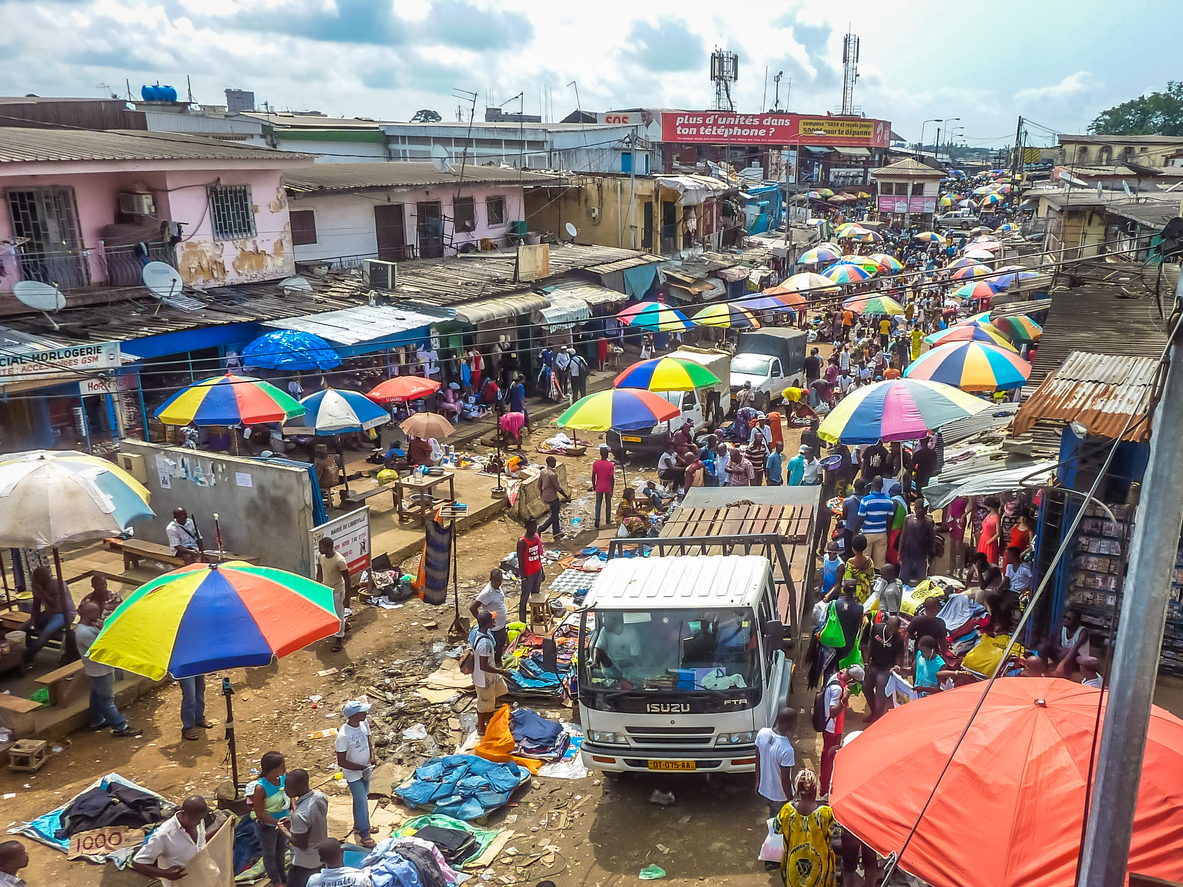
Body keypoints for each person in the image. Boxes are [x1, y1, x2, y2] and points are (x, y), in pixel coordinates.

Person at [76, 601, 141, 737]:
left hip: (98, 669)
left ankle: (96, 720)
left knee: (97, 696)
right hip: (100, 671)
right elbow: (102, 649)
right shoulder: (84, 632)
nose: (99, 615)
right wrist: (104, 629)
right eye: (97, 613)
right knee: (107, 700)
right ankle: (120, 726)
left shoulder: (88, 627)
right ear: (90, 613)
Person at [131, 796, 212, 882]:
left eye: (200, 818)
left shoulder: (198, 821)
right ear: (184, 813)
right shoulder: (163, 835)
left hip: (204, 875)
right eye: (196, 819)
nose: (198, 822)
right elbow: (138, 863)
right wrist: (164, 873)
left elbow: (199, 844)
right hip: (181, 882)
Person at [336, 700, 376, 849]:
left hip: (365, 769)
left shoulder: (363, 723)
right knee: (361, 800)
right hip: (353, 774)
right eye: (362, 712)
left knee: (361, 799)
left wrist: (372, 757)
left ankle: (359, 825)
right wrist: (360, 768)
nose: (365, 713)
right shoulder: (343, 736)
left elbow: (368, 741)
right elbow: (341, 761)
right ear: (353, 715)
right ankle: (365, 834)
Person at [280, 769, 329, 887]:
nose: (285, 790)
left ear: (298, 787)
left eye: (287, 786)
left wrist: (284, 831)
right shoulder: (321, 797)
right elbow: (315, 821)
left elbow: (302, 844)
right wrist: (295, 825)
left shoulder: (299, 814)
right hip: (321, 857)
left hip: (305, 864)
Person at [819, 665, 863, 795]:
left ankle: (825, 784)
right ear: (852, 679)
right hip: (831, 729)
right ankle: (824, 789)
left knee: (828, 756)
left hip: (832, 726)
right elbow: (833, 712)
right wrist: (845, 699)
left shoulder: (835, 676)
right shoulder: (837, 689)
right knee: (829, 758)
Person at [18, 565, 74, 664]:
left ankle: (27, 657)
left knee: (44, 635)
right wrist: (33, 621)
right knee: (22, 628)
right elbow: (36, 606)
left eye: (36, 578)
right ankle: (29, 651)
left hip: (64, 614)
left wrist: (40, 591)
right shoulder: (36, 586)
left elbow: (54, 604)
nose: (34, 580)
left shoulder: (58, 584)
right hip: (49, 613)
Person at [250, 751, 290, 885]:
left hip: (284, 824)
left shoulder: (284, 778)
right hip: (268, 827)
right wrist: (277, 822)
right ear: (273, 769)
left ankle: (283, 878)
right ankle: (276, 881)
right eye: (281, 766)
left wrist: (294, 811)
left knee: (281, 852)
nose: (285, 768)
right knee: (270, 855)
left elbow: (290, 796)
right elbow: (259, 813)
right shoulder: (261, 788)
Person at [472, 610, 511, 733]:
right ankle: (481, 727)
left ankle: (489, 718)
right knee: (484, 702)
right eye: (492, 621)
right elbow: (484, 666)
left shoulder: (479, 632)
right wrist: (501, 671)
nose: (494, 622)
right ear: (488, 623)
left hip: (490, 675)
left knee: (497, 693)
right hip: (485, 678)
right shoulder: (484, 644)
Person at [755, 708, 798, 820]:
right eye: (795, 722)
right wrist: (791, 801)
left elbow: (758, 760)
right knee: (781, 825)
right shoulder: (787, 749)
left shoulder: (762, 733)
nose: (796, 725)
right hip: (779, 797)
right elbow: (785, 780)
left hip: (764, 791)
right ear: (787, 725)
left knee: (772, 820)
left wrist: (758, 781)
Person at [865, 616, 905, 723]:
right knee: (866, 688)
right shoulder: (877, 629)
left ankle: (876, 718)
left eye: (893, 628)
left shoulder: (898, 640)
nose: (890, 630)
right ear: (886, 623)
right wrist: (866, 662)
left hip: (886, 668)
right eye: (889, 627)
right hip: (873, 664)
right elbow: (870, 645)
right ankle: (874, 712)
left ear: (898, 628)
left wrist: (896, 667)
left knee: (880, 692)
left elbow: (899, 656)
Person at [316, 537, 352, 654]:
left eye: (322, 547)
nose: (319, 549)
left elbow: (347, 579)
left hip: (337, 591)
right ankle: (344, 625)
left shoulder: (339, 560)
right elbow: (319, 571)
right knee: (328, 612)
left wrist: (347, 598)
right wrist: (318, 587)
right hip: (326, 590)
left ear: (329, 547)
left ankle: (339, 639)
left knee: (338, 615)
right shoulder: (320, 556)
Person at [469, 569, 508, 658]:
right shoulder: (487, 593)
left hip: (501, 626)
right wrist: (482, 622)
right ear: (490, 579)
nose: (497, 583)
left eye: (499, 581)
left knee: (500, 649)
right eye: (495, 581)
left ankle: (498, 663)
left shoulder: (498, 588)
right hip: (493, 629)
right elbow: (473, 608)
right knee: (493, 652)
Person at [856, 477, 895, 566]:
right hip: (882, 533)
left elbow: (860, 519)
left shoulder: (865, 500)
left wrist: (855, 533)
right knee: (880, 564)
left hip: (867, 534)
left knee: (865, 563)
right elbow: (890, 520)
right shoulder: (889, 501)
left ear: (872, 485)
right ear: (882, 486)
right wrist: (888, 535)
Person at [897, 498, 935, 585]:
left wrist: (930, 558)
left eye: (919, 509)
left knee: (921, 581)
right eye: (915, 508)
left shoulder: (928, 522)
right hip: (907, 555)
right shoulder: (908, 519)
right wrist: (899, 553)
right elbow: (903, 536)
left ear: (925, 509)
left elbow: (931, 541)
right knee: (903, 579)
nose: (916, 510)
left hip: (921, 556)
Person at [516, 518, 545, 623]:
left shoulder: (536, 537)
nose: (533, 529)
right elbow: (521, 561)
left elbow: (538, 556)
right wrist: (523, 577)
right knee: (524, 598)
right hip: (528, 575)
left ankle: (535, 618)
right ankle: (522, 622)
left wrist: (542, 570)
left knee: (536, 596)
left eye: (535, 526)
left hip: (537, 571)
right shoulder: (522, 542)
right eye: (531, 527)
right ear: (526, 527)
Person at [1046, 608, 1090, 675]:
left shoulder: (1083, 632)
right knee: (1043, 647)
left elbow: (1075, 649)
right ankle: (1045, 671)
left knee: (1068, 652)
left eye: (1069, 619)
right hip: (1063, 656)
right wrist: (1064, 649)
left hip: (1078, 660)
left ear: (1076, 621)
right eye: (1065, 617)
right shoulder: (1062, 628)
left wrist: (1062, 663)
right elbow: (1057, 645)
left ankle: (1059, 670)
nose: (1065, 620)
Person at [536, 455, 570, 540]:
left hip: (545, 495)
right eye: (554, 462)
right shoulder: (552, 474)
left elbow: (539, 484)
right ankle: (541, 528)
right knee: (554, 516)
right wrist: (566, 496)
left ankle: (556, 532)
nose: (555, 463)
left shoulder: (543, 471)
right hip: (552, 497)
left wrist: (542, 493)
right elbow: (558, 488)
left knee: (555, 513)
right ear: (551, 463)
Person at [179, 673, 213, 742]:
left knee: (199, 692)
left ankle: (199, 718)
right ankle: (188, 727)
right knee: (190, 696)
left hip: (197, 667)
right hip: (184, 669)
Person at [591, 445, 615, 529]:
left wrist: (593, 485)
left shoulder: (596, 463)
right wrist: (612, 489)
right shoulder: (610, 465)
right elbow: (612, 479)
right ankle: (608, 519)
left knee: (598, 503)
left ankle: (597, 518)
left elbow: (593, 475)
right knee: (608, 503)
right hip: (607, 487)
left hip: (599, 486)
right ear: (607, 455)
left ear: (600, 454)